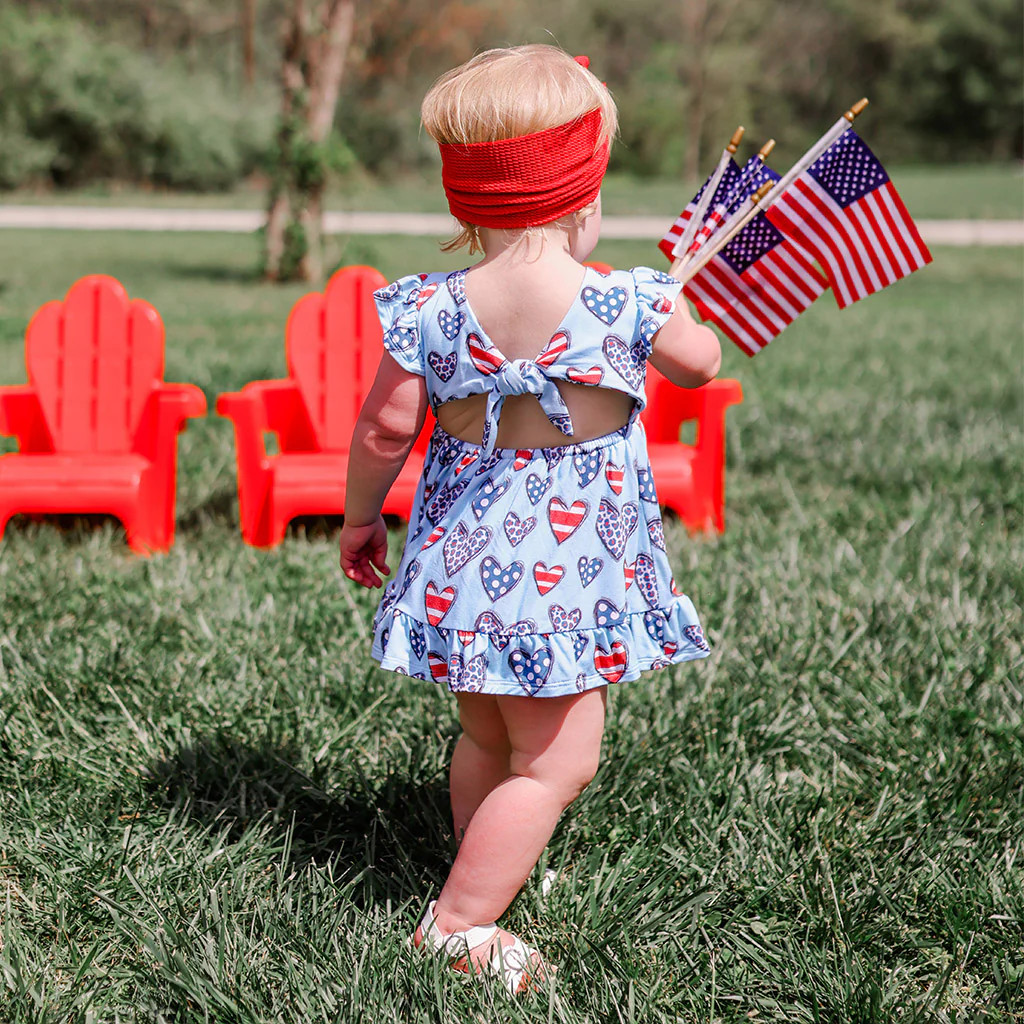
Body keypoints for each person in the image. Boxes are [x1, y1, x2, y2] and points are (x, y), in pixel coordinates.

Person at [338, 44, 721, 995]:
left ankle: (484, 864)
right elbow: (703, 362)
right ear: (585, 193)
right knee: (558, 764)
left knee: (487, 739)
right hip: (562, 587)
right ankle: (461, 922)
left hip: (461, 576)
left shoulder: (426, 308)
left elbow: (385, 429)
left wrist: (358, 522)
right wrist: (681, 302)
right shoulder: (626, 299)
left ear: (463, 198)